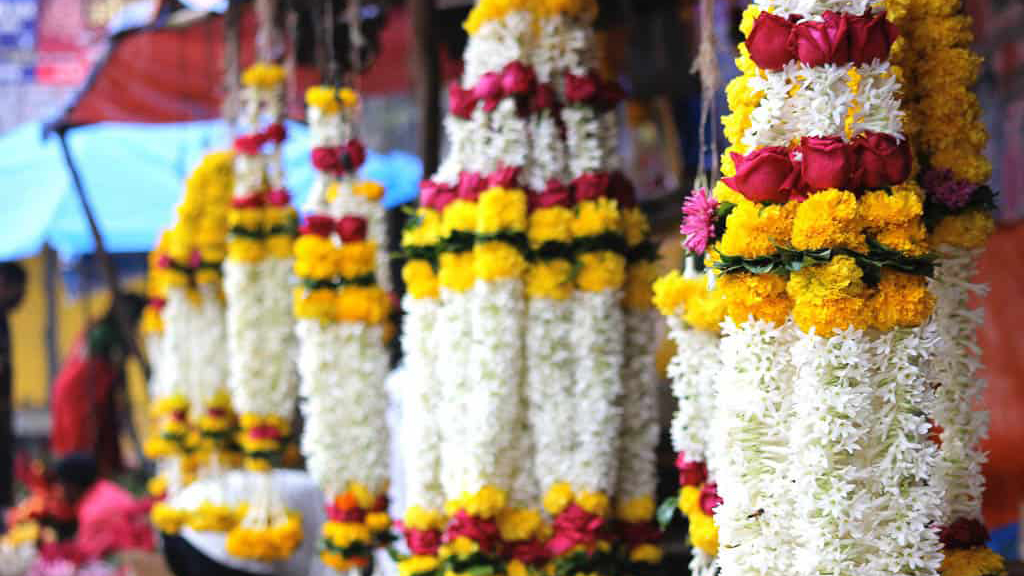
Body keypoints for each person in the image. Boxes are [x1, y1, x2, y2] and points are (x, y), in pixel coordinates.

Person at [50, 293, 146, 475]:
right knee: (84, 439)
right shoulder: (104, 331)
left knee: (100, 437)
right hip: (82, 392)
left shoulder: (110, 330)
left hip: (88, 390)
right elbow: (110, 368)